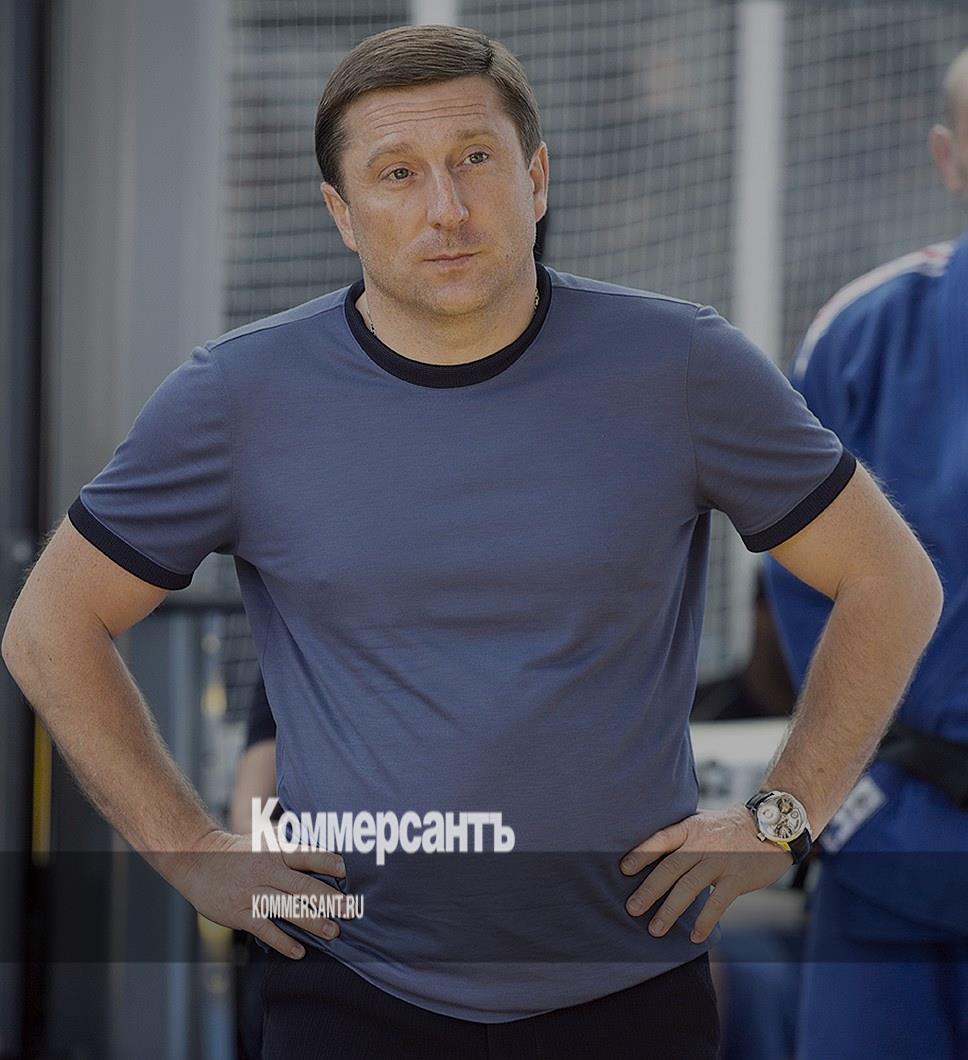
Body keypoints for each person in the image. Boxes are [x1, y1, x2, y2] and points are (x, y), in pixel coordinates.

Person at [0, 24, 944, 1060]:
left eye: (475, 159)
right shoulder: (237, 398)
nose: (445, 208)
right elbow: (50, 628)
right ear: (340, 212)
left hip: (629, 984)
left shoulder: (680, 365)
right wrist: (189, 853)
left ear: (535, 178)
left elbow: (890, 580)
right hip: (350, 983)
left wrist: (782, 819)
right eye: (397, 173)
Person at [762, 45, 968, 1060]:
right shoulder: (862, 335)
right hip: (892, 855)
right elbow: (807, 587)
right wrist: (839, 799)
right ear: (947, 157)